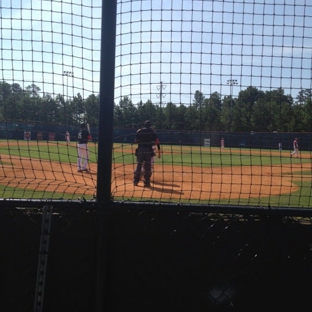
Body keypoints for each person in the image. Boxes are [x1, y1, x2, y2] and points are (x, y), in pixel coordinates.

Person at [133, 120, 159, 187]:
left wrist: (141, 141)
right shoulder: (152, 131)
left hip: (140, 149)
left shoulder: (139, 131)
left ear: (144, 125)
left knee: (139, 165)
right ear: (150, 125)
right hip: (148, 150)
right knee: (148, 166)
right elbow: (156, 141)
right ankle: (146, 182)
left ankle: (136, 181)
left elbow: (135, 141)